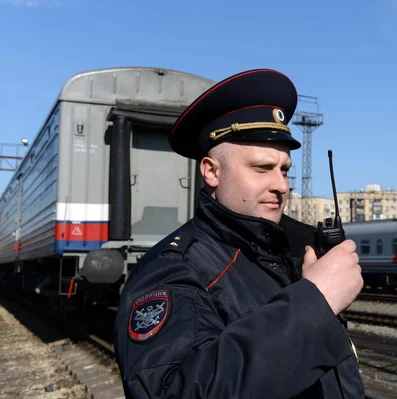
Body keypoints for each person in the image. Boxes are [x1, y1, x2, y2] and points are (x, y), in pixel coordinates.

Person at [113, 68, 365, 398]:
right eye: (262, 168)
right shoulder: (172, 271)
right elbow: (172, 391)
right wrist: (314, 305)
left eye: (284, 170)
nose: (281, 186)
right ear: (211, 172)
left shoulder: (283, 255)